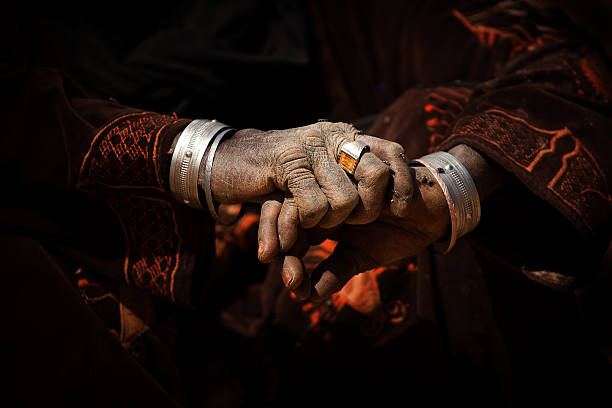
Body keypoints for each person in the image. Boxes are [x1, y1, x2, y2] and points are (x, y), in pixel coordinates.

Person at [2, 0, 611, 407]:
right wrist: (218, 158)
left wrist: (446, 186)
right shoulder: (47, 52)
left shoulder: (357, 20)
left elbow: (575, 69)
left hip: (322, 316)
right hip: (122, 339)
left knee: (424, 124)